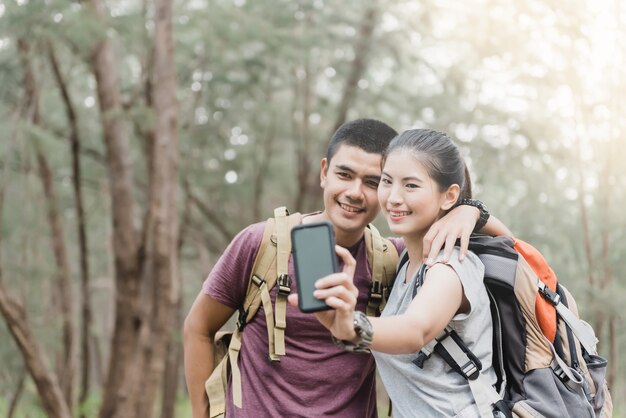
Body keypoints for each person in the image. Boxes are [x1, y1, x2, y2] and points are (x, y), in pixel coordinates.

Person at [184, 119, 510, 418]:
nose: (355, 192)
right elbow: (198, 328)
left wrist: (470, 212)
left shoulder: (395, 260)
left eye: (372, 181)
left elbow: (417, 328)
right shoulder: (261, 244)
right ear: (324, 172)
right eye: (344, 175)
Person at [303, 128, 500, 418]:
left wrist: (350, 325)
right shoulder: (406, 259)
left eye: (411, 186)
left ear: (449, 196)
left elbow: (415, 330)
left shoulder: (450, 264)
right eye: (386, 181)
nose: (393, 197)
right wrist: (472, 212)